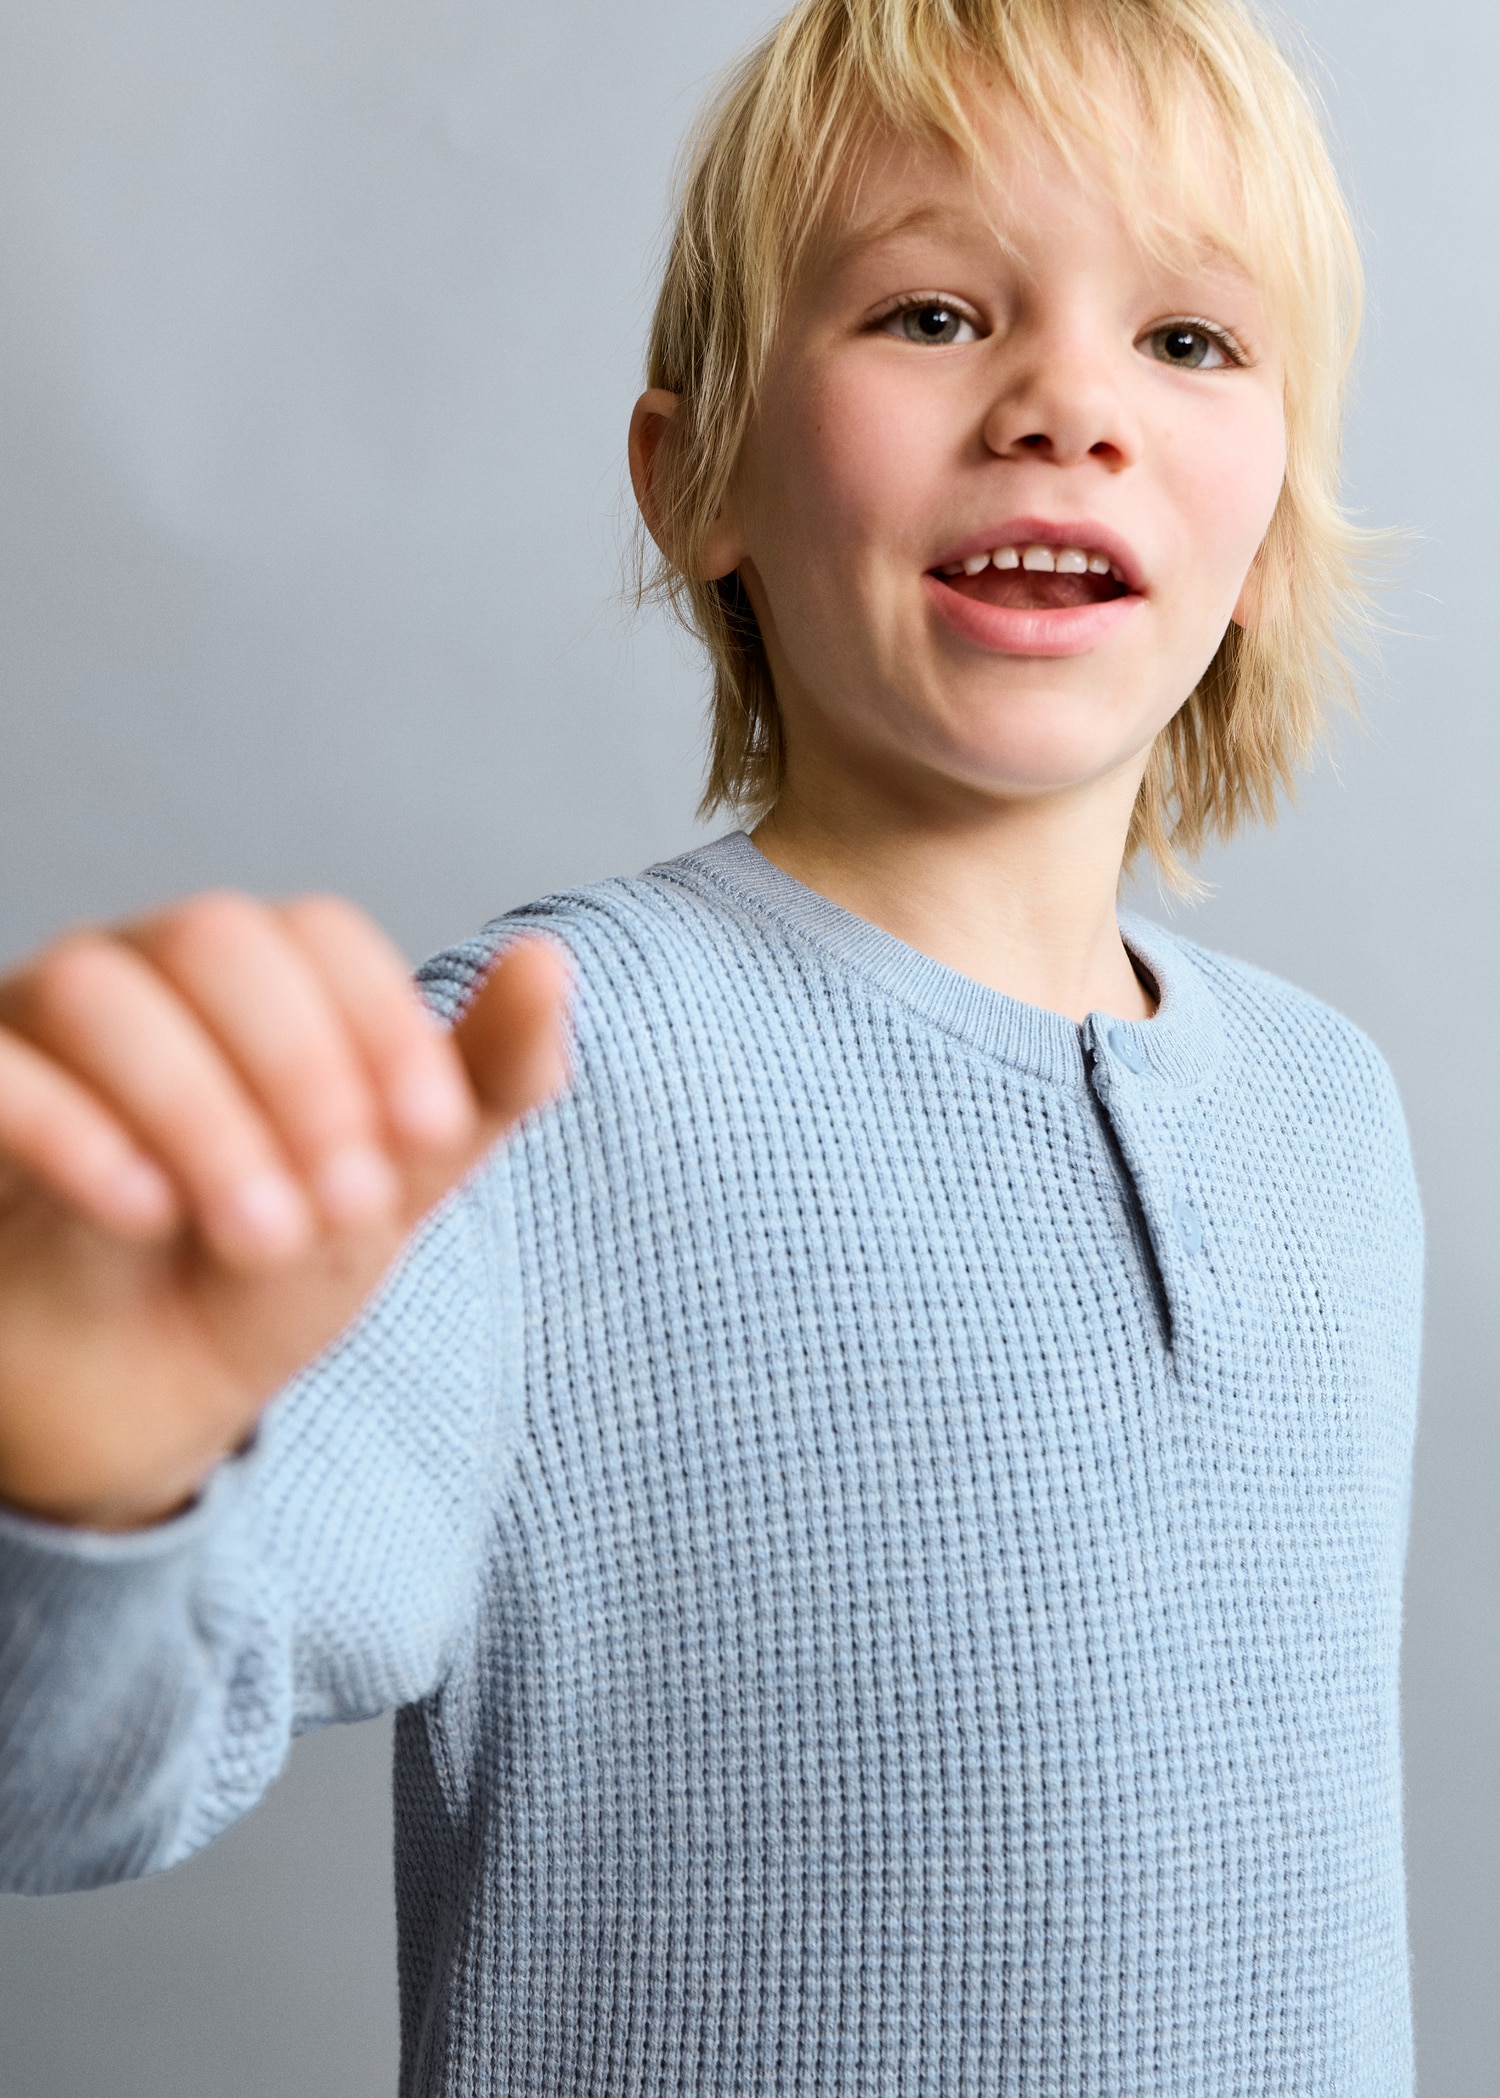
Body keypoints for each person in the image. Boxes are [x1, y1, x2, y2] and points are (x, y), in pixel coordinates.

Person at [0, 1, 1422, 2092]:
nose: (1065, 405)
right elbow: (65, 1775)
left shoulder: (1333, 1116)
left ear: (1272, 529)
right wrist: (83, 1482)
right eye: (932, 313)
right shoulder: (523, 1080)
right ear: (696, 481)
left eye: (1188, 340)